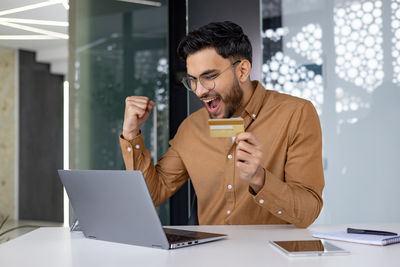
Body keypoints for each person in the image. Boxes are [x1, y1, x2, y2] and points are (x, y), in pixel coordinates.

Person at [119, 21, 324, 228]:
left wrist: (259, 179)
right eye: (193, 80)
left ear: (242, 71)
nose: (199, 91)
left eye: (209, 77)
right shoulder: (192, 127)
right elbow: (152, 195)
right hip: (209, 257)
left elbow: (308, 212)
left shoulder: (295, 114)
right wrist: (131, 134)